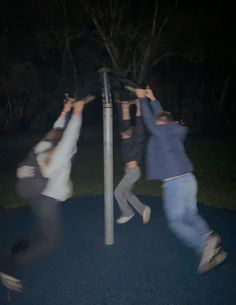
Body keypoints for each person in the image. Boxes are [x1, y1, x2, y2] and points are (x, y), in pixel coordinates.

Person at [135, 87, 227, 273]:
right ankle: (210, 238)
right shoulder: (172, 132)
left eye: (156, 120)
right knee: (190, 215)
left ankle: (205, 248)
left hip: (175, 183)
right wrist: (152, 98)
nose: (154, 121)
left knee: (176, 221)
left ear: (161, 123)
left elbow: (151, 122)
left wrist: (142, 100)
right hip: (188, 179)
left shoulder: (161, 132)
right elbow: (159, 117)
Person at [0, 99, 85, 292]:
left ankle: (19, 246)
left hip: (36, 197)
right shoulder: (59, 154)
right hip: (47, 201)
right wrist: (78, 113)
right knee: (50, 241)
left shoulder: (43, 146)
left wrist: (64, 112)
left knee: (40, 227)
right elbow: (71, 136)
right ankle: (10, 266)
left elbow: (57, 130)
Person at [114, 99, 151, 224]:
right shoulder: (125, 138)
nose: (124, 131)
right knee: (126, 192)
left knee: (117, 192)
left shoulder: (137, 139)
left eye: (127, 131)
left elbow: (139, 121)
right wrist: (125, 107)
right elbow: (125, 122)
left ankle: (127, 212)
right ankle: (143, 209)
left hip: (133, 172)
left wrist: (139, 105)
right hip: (129, 171)